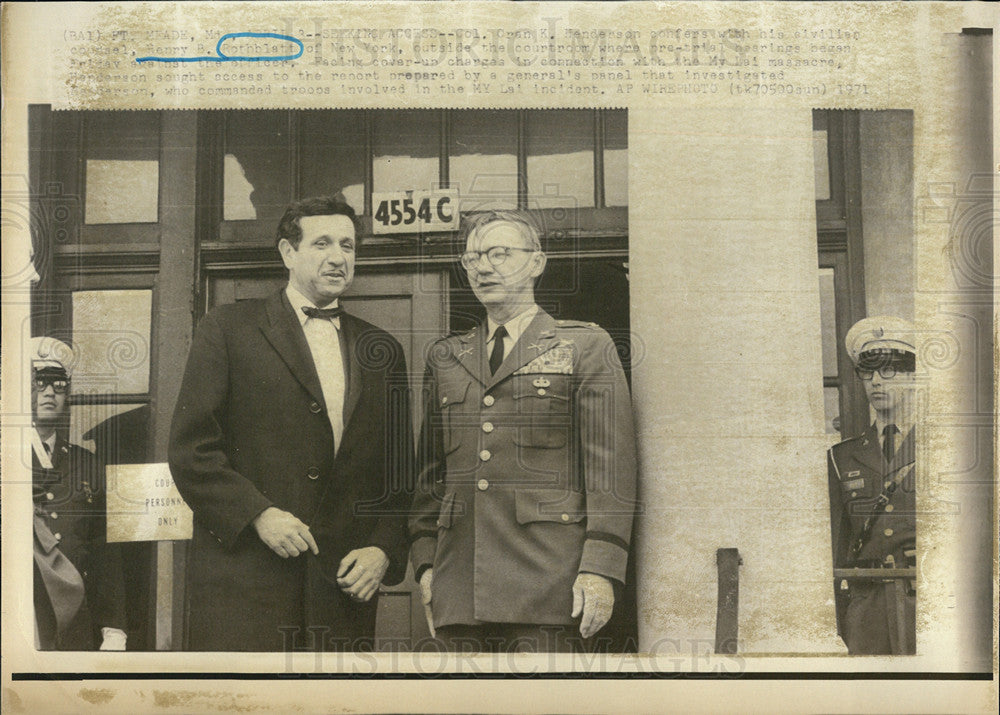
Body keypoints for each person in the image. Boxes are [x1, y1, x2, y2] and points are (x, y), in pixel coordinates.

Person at [169, 195, 412, 651]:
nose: (338, 258)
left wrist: (383, 550)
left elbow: (399, 474)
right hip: (247, 586)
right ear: (287, 253)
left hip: (343, 593)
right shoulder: (225, 329)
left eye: (348, 245)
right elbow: (191, 450)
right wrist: (258, 514)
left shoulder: (382, 350)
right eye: (322, 243)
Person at [409, 210, 638, 652]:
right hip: (459, 587)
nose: (483, 267)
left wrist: (601, 568)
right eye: (473, 257)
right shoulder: (446, 356)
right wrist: (424, 564)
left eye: (499, 253)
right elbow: (429, 476)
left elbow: (612, 469)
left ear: (536, 262)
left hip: (550, 584)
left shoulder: (584, 345)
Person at [827, 316, 917, 654]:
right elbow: (837, 550)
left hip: (926, 607)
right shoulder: (842, 457)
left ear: (913, 376)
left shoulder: (943, 448)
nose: (876, 382)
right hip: (867, 616)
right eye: (868, 372)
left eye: (889, 370)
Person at [30, 337, 127, 650]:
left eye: (58, 385)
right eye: (38, 383)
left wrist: (114, 627)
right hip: (22, 621)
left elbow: (104, 551)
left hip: (74, 625)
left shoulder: (86, 463)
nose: (48, 393)